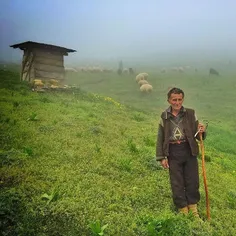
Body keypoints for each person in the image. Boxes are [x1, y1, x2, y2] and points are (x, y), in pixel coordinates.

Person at [156, 87, 206, 217]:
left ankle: (193, 209)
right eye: (174, 100)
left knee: (192, 180)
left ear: (183, 99)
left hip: (189, 150)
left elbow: (197, 135)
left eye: (179, 99)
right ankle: (183, 209)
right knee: (177, 182)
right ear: (169, 100)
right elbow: (160, 137)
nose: (177, 103)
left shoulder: (191, 113)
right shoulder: (164, 116)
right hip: (173, 152)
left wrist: (201, 131)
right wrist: (162, 157)